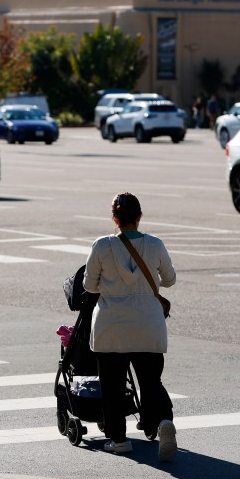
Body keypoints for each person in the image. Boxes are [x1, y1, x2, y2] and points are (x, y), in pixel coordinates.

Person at [84, 192, 178, 461]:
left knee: (112, 386)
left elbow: (89, 286)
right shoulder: (156, 244)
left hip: (111, 326)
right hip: (148, 324)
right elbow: (169, 280)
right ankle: (161, 422)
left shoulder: (102, 245)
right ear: (139, 217)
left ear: (114, 219)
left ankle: (119, 439)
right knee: (151, 381)